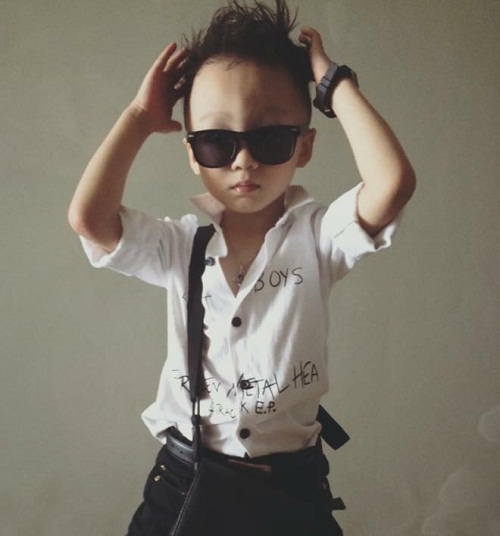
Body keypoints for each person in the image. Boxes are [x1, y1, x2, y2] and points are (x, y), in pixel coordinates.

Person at [68, 0, 415, 534]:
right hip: (187, 478)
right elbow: (90, 219)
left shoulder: (320, 237)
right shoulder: (179, 245)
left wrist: (334, 86)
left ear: (304, 146)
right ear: (191, 151)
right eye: (216, 141)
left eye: (271, 138)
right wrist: (138, 118)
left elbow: (391, 184)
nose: (243, 161)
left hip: (293, 484)